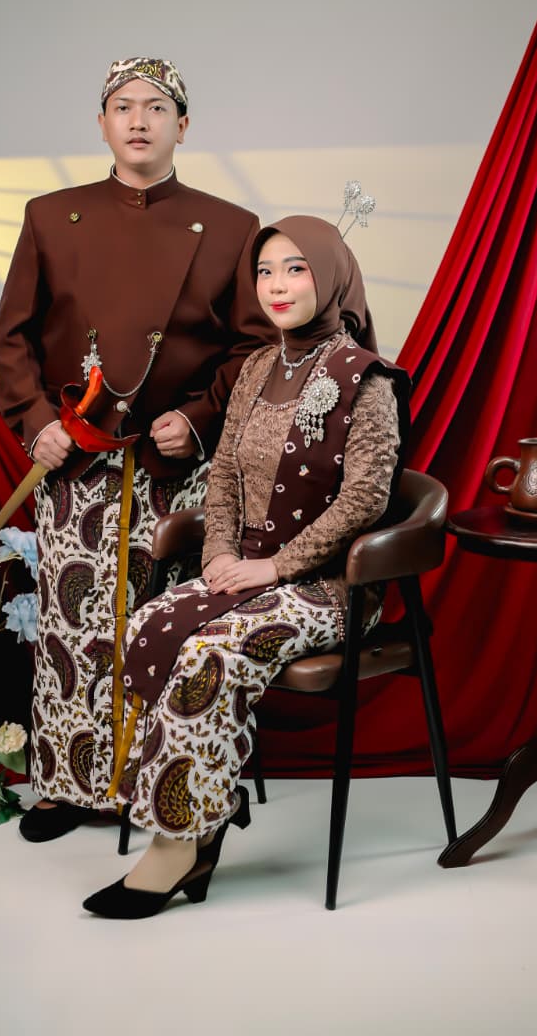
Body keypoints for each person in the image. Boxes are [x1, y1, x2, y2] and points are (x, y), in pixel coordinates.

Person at [82, 214, 410, 918]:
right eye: (264, 271)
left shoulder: (366, 379)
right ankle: (207, 808)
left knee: (211, 651)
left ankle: (177, 845)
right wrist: (221, 555)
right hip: (247, 569)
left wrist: (278, 567)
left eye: (295, 268)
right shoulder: (258, 367)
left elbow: (365, 498)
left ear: (330, 277)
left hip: (332, 587)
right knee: (148, 624)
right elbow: (225, 474)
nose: (276, 285)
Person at [0, 57, 272, 842]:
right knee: (70, 623)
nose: (139, 120)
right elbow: (14, 336)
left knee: (168, 620)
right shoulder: (51, 216)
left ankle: (162, 787)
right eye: (123, 106)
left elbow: (252, 350)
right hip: (76, 455)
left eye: (155, 107)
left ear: (183, 125)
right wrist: (34, 419)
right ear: (102, 124)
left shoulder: (230, 226)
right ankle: (64, 786)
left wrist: (200, 417)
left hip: (174, 462)